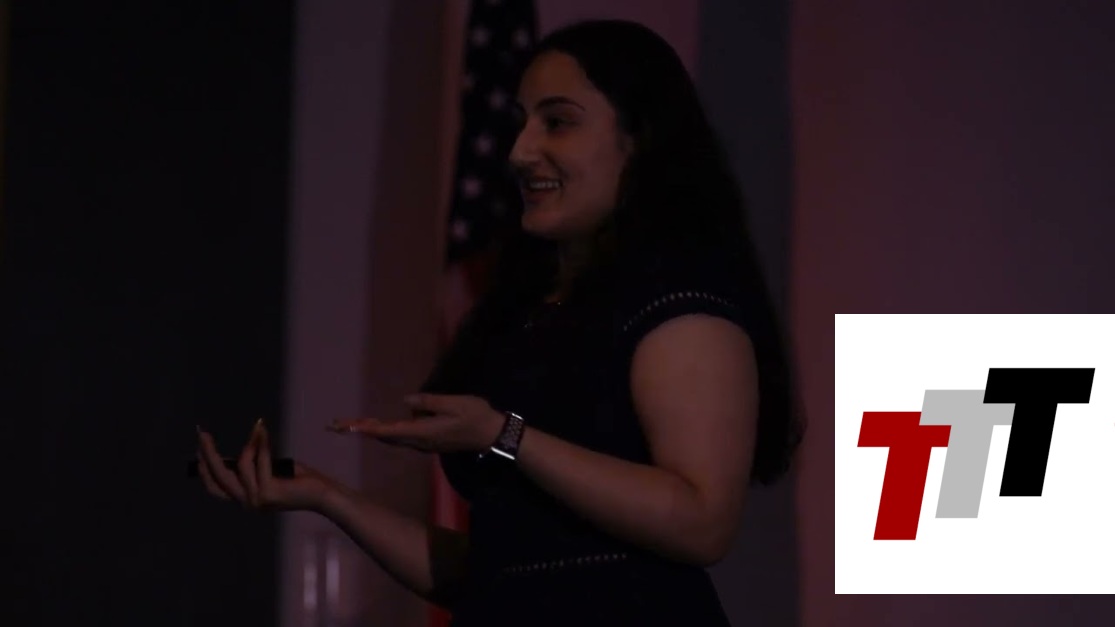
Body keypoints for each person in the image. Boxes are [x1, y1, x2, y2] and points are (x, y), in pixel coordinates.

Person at [195, 19, 802, 626]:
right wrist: (325, 496)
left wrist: (504, 436)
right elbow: (494, 574)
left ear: (639, 138)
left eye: (557, 122)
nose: (519, 151)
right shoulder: (527, 314)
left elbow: (702, 523)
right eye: (521, 122)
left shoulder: (682, 309)